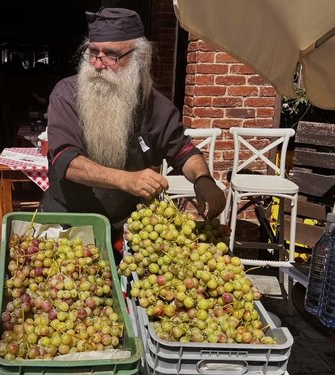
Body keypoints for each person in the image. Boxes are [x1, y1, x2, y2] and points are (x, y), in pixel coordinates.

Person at [41, 8, 226, 238]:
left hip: (125, 229)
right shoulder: (66, 95)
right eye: (93, 52)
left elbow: (184, 151)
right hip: (68, 222)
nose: (98, 64)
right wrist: (126, 179)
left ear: (138, 58)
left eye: (111, 55)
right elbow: (64, 160)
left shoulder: (157, 107)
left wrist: (203, 179)